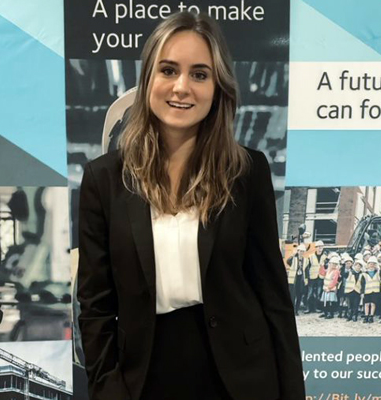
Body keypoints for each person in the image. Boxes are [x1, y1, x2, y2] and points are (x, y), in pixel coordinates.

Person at [77, 11, 305, 400]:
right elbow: (96, 305)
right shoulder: (104, 179)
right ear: (148, 77)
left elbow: (273, 296)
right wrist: (106, 386)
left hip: (241, 378)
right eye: (168, 70)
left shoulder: (247, 171)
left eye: (199, 74)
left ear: (218, 87)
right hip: (143, 377)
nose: (182, 87)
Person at [305, 240, 327, 314]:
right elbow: (307, 268)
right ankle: (308, 308)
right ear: (316, 248)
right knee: (309, 293)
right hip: (312, 276)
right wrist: (307, 277)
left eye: (321, 247)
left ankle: (316, 308)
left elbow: (326, 267)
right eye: (318, 247)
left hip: (320, 277)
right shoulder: (310, 256)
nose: (320, 248)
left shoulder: (325, 257)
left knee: (318, 293)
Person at [286, 244, 308, 315]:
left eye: (302, 251)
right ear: (297, 251)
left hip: (301, 279)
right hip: (293, 280)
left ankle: (296, 310)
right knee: (293, 295)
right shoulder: (293, 259)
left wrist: (306, 279)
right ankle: (293, 309)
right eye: (300, 251)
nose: (301, 252)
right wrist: (293, 255)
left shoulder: (306, 260)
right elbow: (288, 261)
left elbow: (306, 270)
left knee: (299, 295)